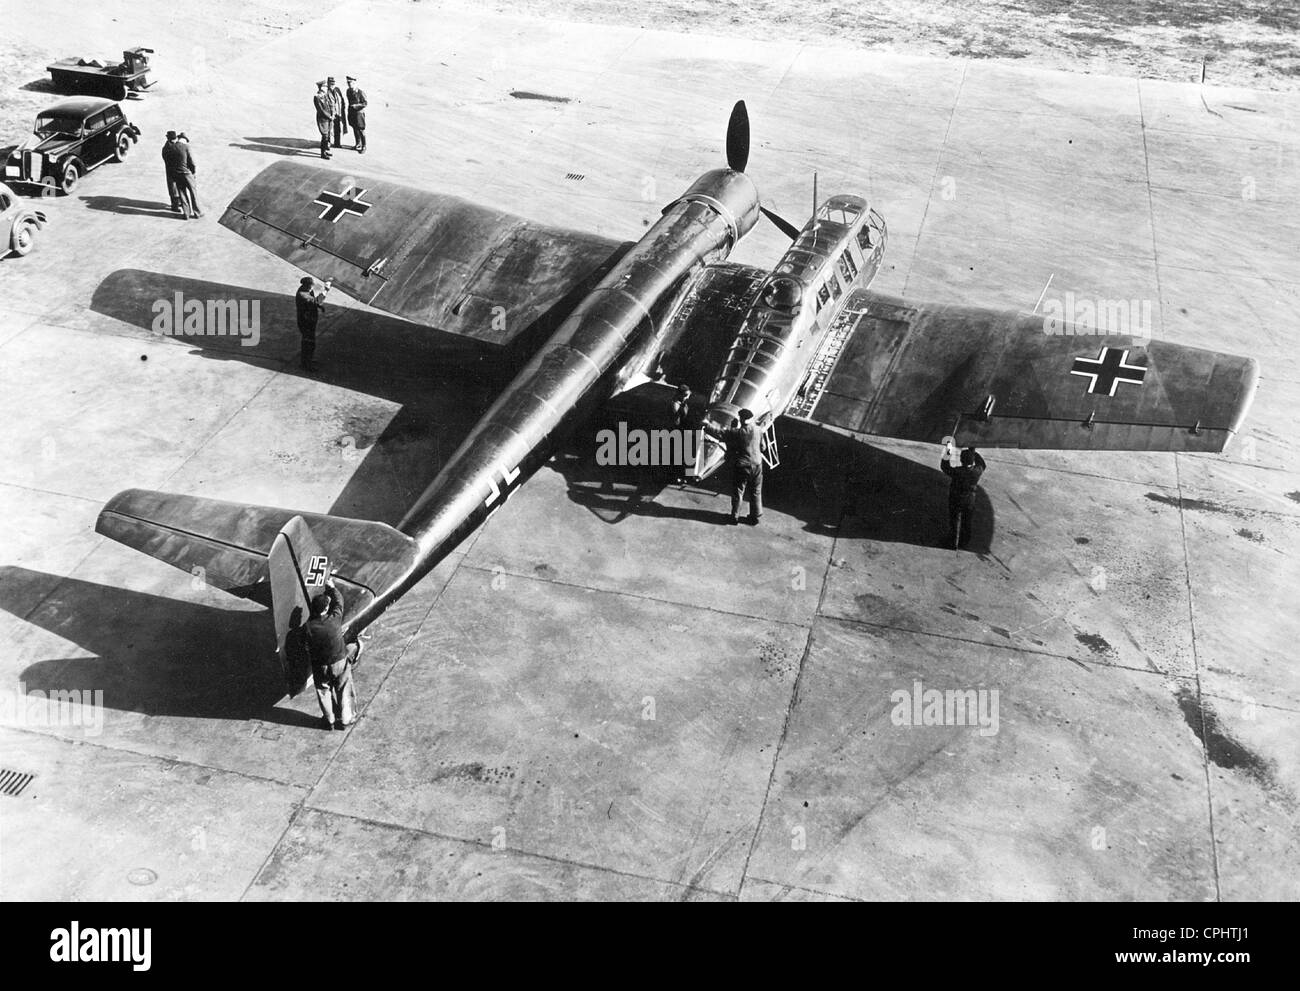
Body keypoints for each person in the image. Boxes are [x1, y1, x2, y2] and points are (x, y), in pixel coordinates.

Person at [303, 572, 361, 730]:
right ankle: (346, 719)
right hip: (339, 661)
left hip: (321, 665)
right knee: (343, 688)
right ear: (326, 608)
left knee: (323, 691)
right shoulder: (334, 619)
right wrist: (331, 587)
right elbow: (339, 602)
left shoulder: (308, 627)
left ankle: (329, 720)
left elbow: (305, 644)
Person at [707, 408, 766, 525]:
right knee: (756, 491)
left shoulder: (737, 432)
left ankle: (734, 517)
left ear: (741, 419)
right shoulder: (758, 430)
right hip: (758, 465)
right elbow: (763, 447)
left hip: (743, 466)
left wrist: (706, 425)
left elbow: (720, 434)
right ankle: (755, 516)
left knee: (738, 491)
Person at [940, 441, 986, 550]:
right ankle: (964, 542)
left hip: (956, 498)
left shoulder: (958, 471)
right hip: (969, 500)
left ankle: (952, 543)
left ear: (961, 460)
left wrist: (948, 450)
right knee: (967, 521)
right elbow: (982, 464)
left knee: (954, 520)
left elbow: (944, 466)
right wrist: (973, 452)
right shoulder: (977, 471)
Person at [161, 130, 202, 218]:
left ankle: (186, 213)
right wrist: (193, 172)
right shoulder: (185, 147)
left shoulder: (168, 148)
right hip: (186, 173)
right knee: (193, 193)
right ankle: (197, 212)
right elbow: (192, 163)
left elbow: (167, 161)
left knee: (182, 194)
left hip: (176, 174)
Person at [296, 276, 330, 371]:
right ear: (307, 285)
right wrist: (326, 290)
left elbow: (314, 301)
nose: (312, 287)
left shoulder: (306, 290)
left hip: (309, 321)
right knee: (309, 343)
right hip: (306, 323)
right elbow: (315, 300)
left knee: (309, 342)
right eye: (311, 285)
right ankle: (306, 364)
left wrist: (319, 306)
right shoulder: (302, 295)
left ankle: (308, 360)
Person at [313, 80, 334, 159]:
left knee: (327, 135)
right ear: (320, 87)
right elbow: (321, 110)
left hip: (328, 118)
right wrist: (329, 116)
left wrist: (331, 115)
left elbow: (329, 106)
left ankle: (325, 150)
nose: (326, 88)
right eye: (324, 87)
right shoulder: (317, 97)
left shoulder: (324, 95)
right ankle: (323, 153)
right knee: (324, 136)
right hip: (323, 119)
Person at [346, 75, 367, 153]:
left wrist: (356, 106)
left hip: (359, 114)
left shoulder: (360, 92)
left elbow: (365, 103)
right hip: (352, 113)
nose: (349, 84)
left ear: (354, 83)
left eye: (350, 82)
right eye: (348, 83)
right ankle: (358, 144)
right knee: (355, 128)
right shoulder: (348, 91)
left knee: (361, 129)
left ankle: (364, 146)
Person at [327, 76, 347, 148]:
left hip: (338, 113)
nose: (332, 85)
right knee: (329, 129)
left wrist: (342, 110)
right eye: (331, 83)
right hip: (330, 114)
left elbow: (342, 99)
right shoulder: (326, 91)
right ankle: (327, 143)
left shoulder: (337, 90)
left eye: (333, 83)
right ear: (328, 84)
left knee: (338, 129)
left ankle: (337, 143)